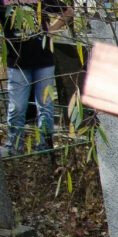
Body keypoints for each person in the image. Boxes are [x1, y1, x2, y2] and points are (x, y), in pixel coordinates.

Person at [2, 0, 74, 155]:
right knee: (17, 107)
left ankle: (45, 145)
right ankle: (14, 146)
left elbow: (67, 11)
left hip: (44, 61)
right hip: (17, 63)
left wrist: (50, 30)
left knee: (45, 104)